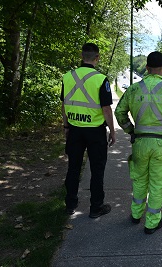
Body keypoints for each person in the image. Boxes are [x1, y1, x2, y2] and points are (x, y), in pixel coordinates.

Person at [114, 51, 162, 234]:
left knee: (139, 180)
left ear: (146, 68)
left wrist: (131, 130)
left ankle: (136, 215)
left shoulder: (133, 89)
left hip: (140, 143)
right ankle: (152, 223)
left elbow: (119, 113)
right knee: (158, 183)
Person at [61, 43, 116, 218]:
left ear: (81, 56)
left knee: (73, 167)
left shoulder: (68, 77)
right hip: (95, 131)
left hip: (75, 130)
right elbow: (106, 109)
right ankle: (95, 207)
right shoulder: (101, 79)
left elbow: (64, 105)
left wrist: (66, 126)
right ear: (97, 57)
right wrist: (113, 132)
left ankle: (70, 204)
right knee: (97, 169)